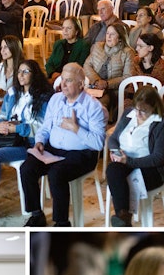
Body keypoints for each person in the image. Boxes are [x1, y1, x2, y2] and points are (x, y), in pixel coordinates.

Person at [19, 62, 106, 228]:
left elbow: (98, 143)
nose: (63, 85)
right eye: (62, 80)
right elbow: (45, 127)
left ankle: (62, 222)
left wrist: (76, 128)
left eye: (69, 81)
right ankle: (36, 214)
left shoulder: (94, 107)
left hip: (81, 154)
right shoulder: (56, 99)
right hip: (53, 149)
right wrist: (39, 141)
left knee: (56, 174)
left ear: (81, 84)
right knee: (27, 168)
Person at [0, 59, 52, 224]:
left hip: (27, 142)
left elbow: (41, 127)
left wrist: (16, 129)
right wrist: (0, 124)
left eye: (25, 72)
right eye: (19, 72)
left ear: (34, 75)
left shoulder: (43, 97)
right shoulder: (12, 93)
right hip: (7, 138)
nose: (21, 75)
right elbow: (2, 115)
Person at [106, 85, 164, 226]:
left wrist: (129, 161)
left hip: (151, 168)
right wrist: (115, 151)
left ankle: (123, 220)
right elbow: (113, 139)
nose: (138, 114)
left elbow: (159, 157)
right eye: (137, 109)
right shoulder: (128, 114)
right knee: (112, 170)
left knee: (122, 181)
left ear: (154, 107)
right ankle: (123, 216)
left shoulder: (162, 124)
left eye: (143, 111)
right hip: (125, 161)